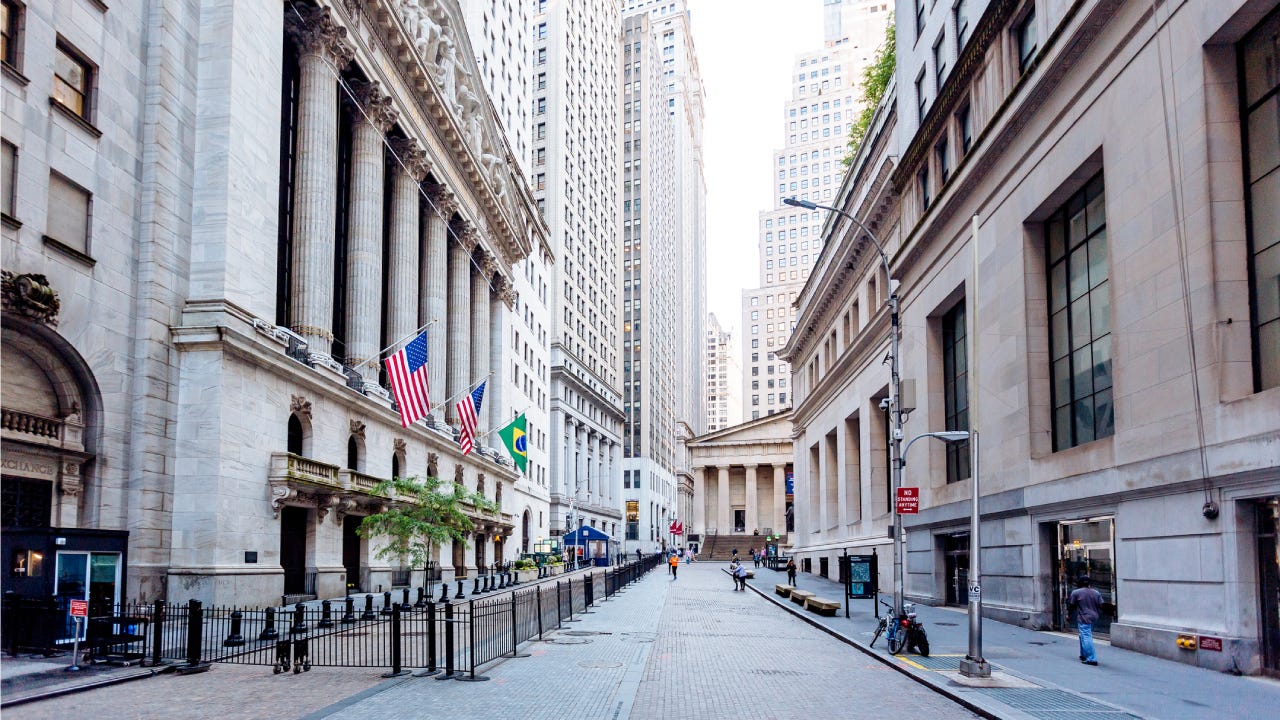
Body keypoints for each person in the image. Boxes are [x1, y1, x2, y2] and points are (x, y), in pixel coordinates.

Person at [1068, 575, 1104, 666]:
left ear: (1079, 583)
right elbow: (1102, 605)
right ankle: (1083, 654)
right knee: (1083, 635)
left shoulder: (1076, 592)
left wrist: (1068, 616)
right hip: (1094, 616)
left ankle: (1092, 658)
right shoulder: (1096, 593)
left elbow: (1072, 606)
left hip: (1084, 617)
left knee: (1086, 636)